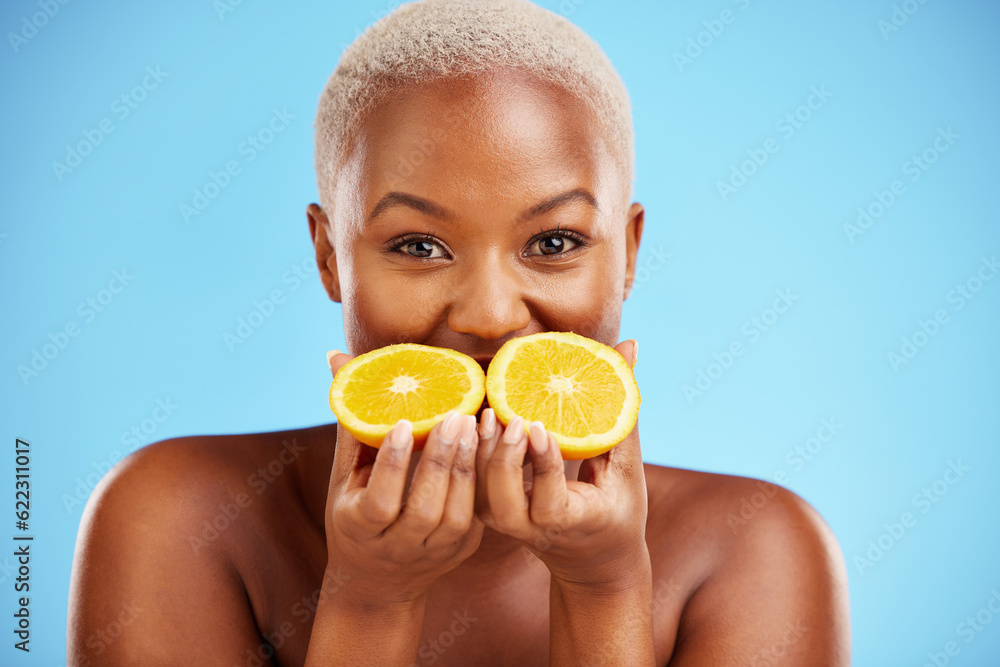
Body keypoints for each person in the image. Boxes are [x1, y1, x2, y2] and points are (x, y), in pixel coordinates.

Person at [67, 0, 850, 664]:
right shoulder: (174, 519)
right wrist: (370, 599)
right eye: (419, 246)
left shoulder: (757, 552)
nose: (488, 315)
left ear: (629, 254)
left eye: (553, 243)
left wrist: (603, 588)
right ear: (329, 256)